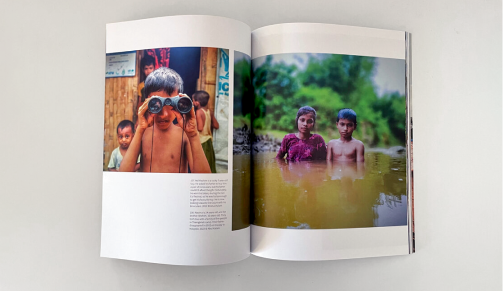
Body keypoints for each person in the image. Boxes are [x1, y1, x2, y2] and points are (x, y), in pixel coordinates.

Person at [120, 67, 211, 173]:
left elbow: (203, 180)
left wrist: (194, 135)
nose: (164, 115)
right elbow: (124, 173)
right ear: (147, 103)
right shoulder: (143, 133)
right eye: (156, 104)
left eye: (171, 105)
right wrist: (140, 129)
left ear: (180, 103)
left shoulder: (184, 135)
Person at [193, 90, 219, 173]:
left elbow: (200, 128)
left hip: (202, 142)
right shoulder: (209, 112)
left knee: (202, 163)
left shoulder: (198, 112)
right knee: (209, 162)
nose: (192, 102)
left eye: (193, 100)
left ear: (197, 103)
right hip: (209, 141)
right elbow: (216, 125)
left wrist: (192, 125)